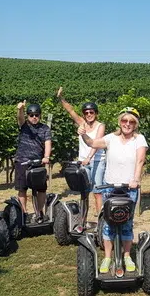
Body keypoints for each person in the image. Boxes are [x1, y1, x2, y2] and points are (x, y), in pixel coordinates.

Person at [78, 106, 147, 274]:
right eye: (124, 120)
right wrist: (83, 133)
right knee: (108, 224)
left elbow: (140, 161)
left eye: (131, 121)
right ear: (120, 122)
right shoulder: (110, 138)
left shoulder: (139, 139)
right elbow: (92, 143)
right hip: (110, 187)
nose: (127, 124)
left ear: (135, 124)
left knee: (127, 224)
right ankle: (108, 257)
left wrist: (136, 179)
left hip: (128, 189)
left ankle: (127, 255)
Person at [57, 87, 106, 215]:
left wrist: (89, 158)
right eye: (86, 112)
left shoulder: (101, 126)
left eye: (91, 112)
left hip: (97, 161)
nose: (89, 114)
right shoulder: (81, 123)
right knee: (84, 192)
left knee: (97, 191)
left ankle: (100, 219)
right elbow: (70, 110)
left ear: (96, 113)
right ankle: (83, 220)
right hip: (83, 162)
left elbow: (96, 143)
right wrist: (61, 98)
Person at [14, 100, 52, 223]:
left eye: (36, 115)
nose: (34, 117)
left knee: (41, 188)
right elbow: (20, 119)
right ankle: (24, 213)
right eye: (31, 115)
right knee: (22, 188)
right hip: (22, 161)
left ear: (40, 115)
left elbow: (47, 143)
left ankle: (39, 211)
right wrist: (20, 109)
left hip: (38, 162)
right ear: (28, 116)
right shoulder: (24, 126)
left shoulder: (45, 128)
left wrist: (46, 157)